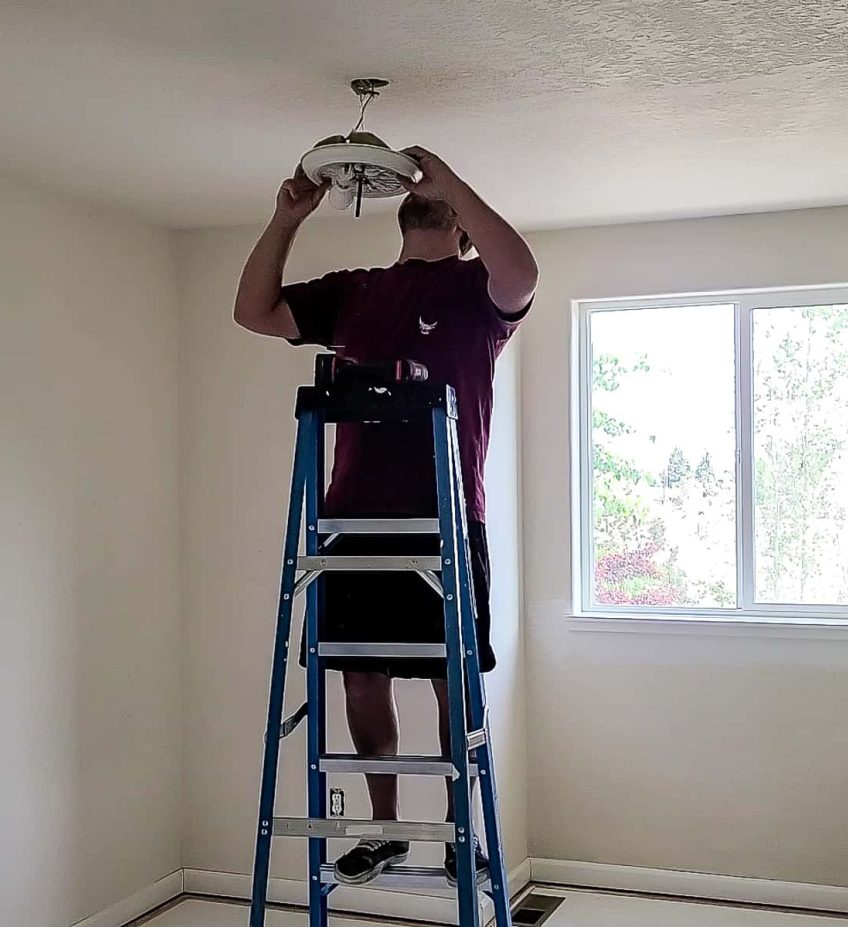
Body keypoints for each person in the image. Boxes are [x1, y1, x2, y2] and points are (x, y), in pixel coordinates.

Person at [234, 146, 538, 887]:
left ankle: (459, 831)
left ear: (463, 227)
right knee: (360, 681)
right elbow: (254, 311)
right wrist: (286, 217)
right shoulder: (357, 291)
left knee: (449, 681)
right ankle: (387, 831)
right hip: (352, 526)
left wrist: (460, 184)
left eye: (454, 211)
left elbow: (523, 274)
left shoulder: (477, 289)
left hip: (444, 519)